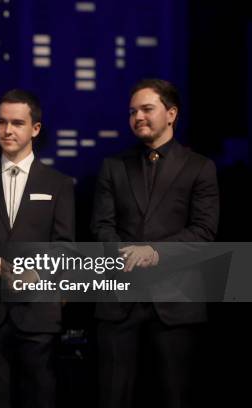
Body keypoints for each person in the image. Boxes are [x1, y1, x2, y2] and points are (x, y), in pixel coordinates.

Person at [91, 78, 219, 408]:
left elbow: (204, 232)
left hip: (176, 305)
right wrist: (127, 256)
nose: (138, 117)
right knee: (112, 397)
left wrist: (153, 252)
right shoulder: (113, 166)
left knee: (174, 397)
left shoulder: (200, 168)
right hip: (120, 301)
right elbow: (101, 227)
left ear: (171, 113)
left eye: (147, 109)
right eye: (133, 111)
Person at [0, 89, 75, 408]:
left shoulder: (58, 184)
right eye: (2, 122)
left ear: (35, 129)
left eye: (17, 123)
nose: (8, 130)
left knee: (40, 397)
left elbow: (64, 246)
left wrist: (39, 271)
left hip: (37, 312)